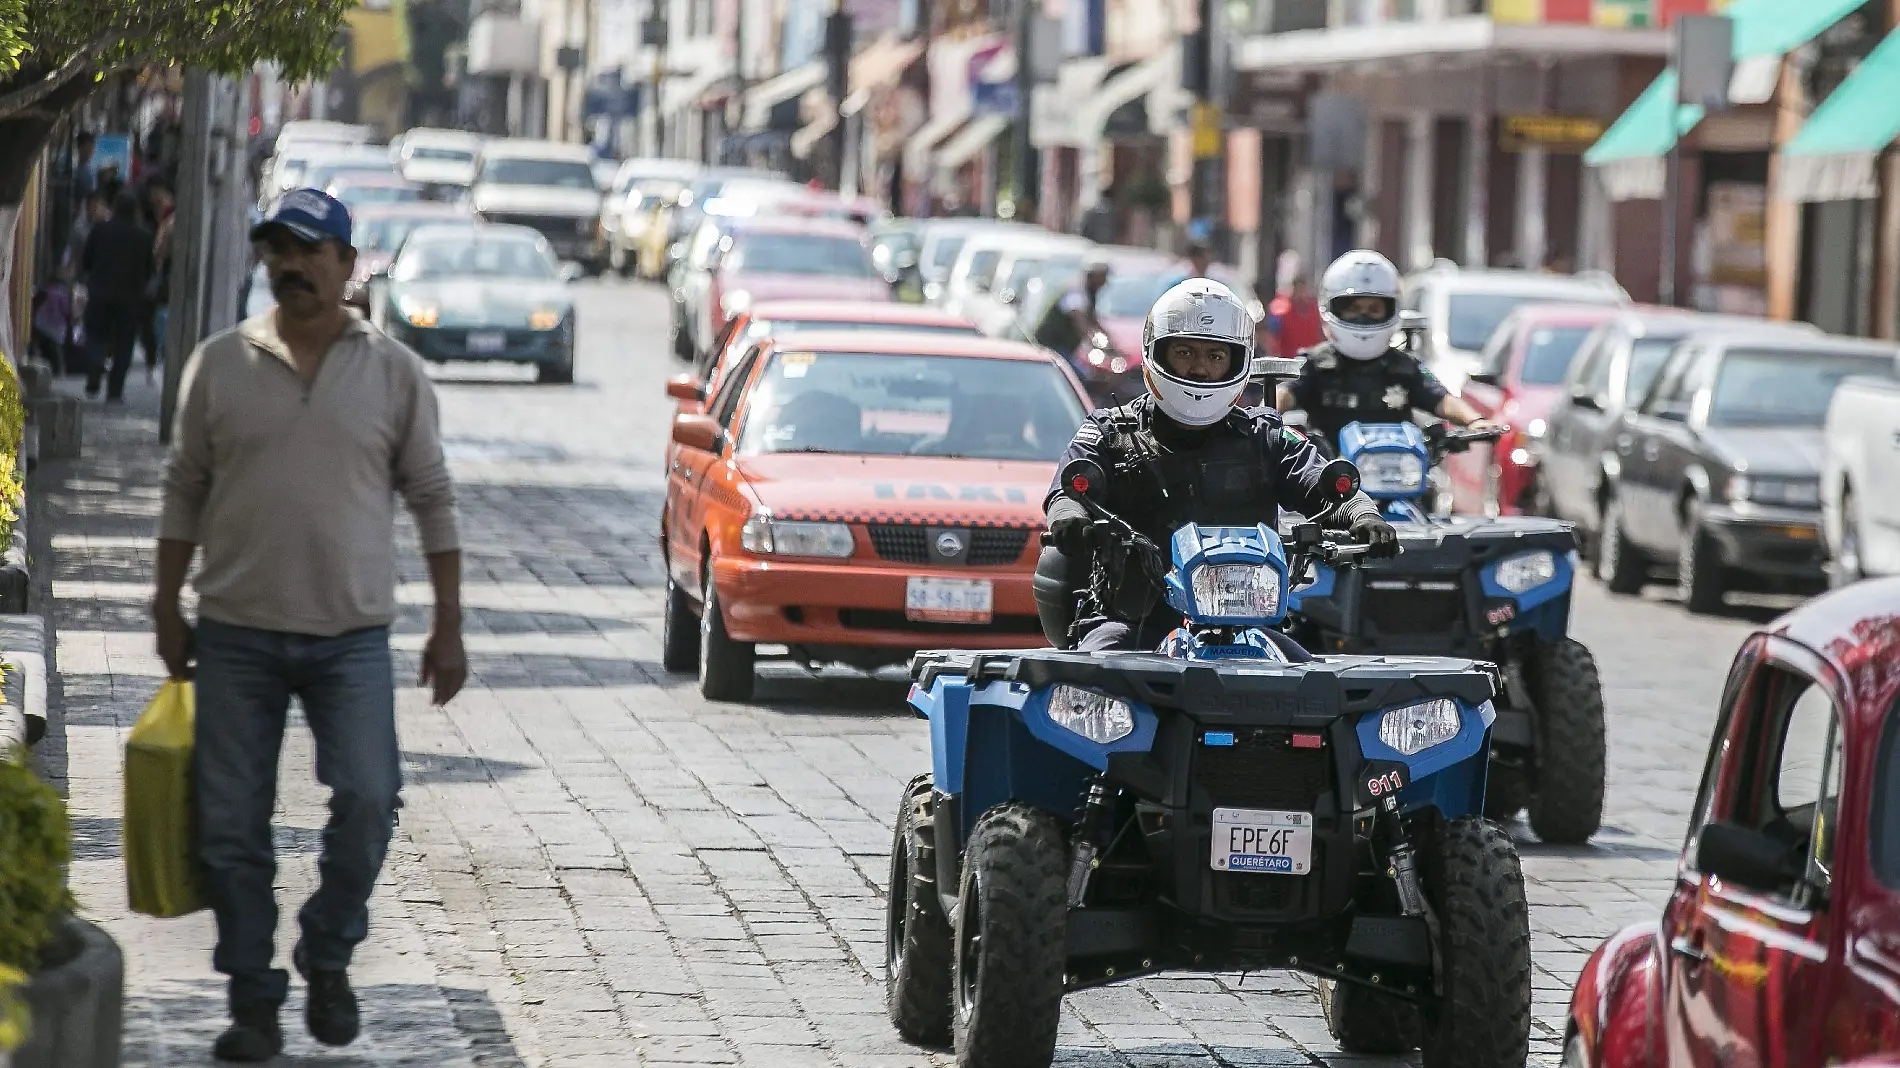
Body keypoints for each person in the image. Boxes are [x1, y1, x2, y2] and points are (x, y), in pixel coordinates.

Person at [154, 188, 468, 1062]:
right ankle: (253, 999)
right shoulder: (220, 364)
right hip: (235, 630)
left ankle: (327, 953)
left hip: (352, 636)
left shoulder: (394, 373)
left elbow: (432, 499)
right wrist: (162, 603)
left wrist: (449, 625)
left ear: (346, 263)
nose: (290, 267)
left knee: (370, 798)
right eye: (277, 253)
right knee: (229, 825)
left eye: (308, 251)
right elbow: (185, 487)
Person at [1037, 278, 1399, 652]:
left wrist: (1364, 515)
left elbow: (1320, 482)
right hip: (1136, 624)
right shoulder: (1111, 431)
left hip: (1248, 626)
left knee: (1313, 689)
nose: (1200, 369)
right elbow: (1068, 489)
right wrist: (1070, 517)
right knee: (1092, 676)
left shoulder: (1265, 434)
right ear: (1157, 352)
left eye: (1214, 356)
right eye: (1185, 353)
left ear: (1237, 361)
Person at [1276, 249, 1501, 450]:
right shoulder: (1316, 363)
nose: (1363, 316)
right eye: (1354, 309)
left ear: (1392, 310)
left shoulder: (1404, 367)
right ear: (1332, 308)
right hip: (1327, 480)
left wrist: (1474, 420)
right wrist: (1264, 417)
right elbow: (1284, 394)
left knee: (1430, 490)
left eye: (1374, 309)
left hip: (1397, 473)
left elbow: (1441, 398)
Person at [80, 191, 154, 401]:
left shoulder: (100, 230)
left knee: (95, 334)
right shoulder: (144, 236)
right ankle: (115, 391)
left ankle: (95, 365)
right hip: (130, 300)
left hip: (100, 293)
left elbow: (86, 260)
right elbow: (149, 270)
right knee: (124, 344)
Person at [1034, 255, 1113, 361]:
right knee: (1079, 375)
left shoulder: (1090, 294)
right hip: (1052, 346)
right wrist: (1096, 344)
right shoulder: (1076, 293)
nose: (1105, 281)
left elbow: (1093, 322)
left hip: (1065, 348)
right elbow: (1079, 321)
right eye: (1103, 276)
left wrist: (1111, 342)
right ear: (1093, 276)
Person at [1266, 276, 1325, 358]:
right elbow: (1272, 339)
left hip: (1312, 359)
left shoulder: (1317, 310)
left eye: (1302, 289)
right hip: (1288, 361)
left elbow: (1323, 335)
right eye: (1297, 290)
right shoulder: (1280, 311)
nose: (1300, 294)